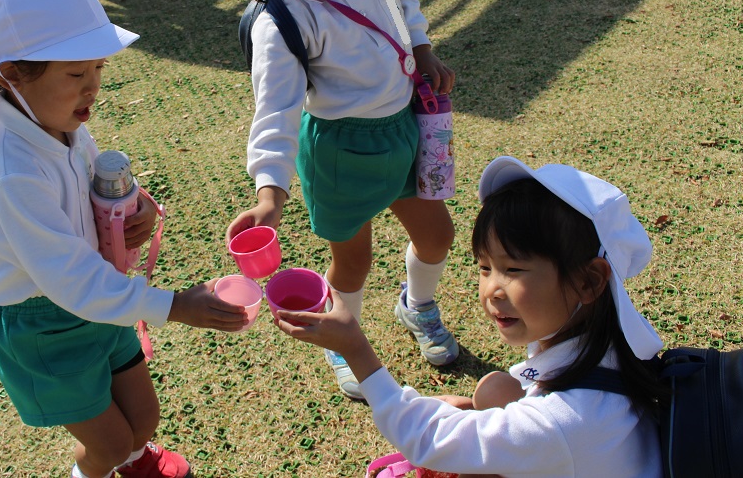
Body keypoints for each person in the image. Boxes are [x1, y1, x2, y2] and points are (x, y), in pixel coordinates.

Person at [0, 0, 248, 478]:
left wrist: (136, 206)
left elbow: (96, 183)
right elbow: (70, 280)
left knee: (143, 418)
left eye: (98, 69)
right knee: (108, 444)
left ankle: (136, 461)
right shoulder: (11, 174)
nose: (92, 88)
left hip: (99, 294)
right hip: (41, 320)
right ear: (11, 74)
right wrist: (175, 305)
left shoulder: (62, 124)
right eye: (75, 74)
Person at [205, 0, 458, 400]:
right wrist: (269, 193)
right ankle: (343, 338)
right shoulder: (280, 22)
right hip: (341, 152)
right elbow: (274, 112)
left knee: (437, 235)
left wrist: (421, 48)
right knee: (353, 263)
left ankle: (417, 305)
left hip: (406, 129)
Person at [278, 156, 668, 477]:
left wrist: (354, 348)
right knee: (494, 390)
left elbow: (428, 440)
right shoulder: (608, 342)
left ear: (589, 281)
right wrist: (469, 409)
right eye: (485, 267)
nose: (492, 289)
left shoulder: (564, 420)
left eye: (513, 269)